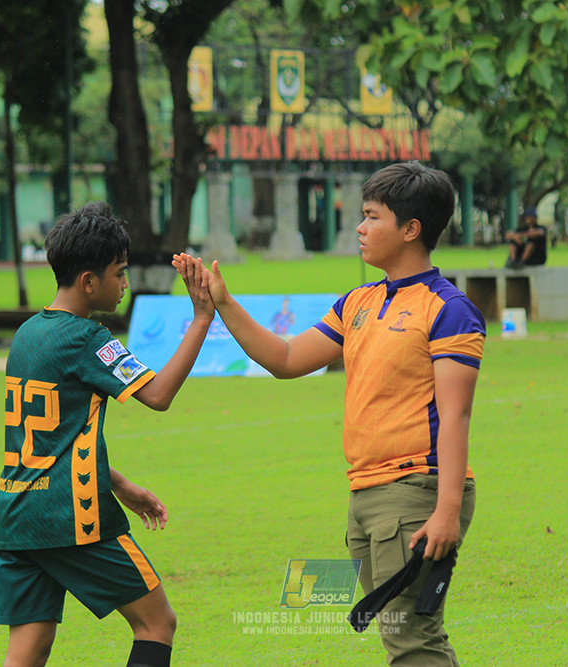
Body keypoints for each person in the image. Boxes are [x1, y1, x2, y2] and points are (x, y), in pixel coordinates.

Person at [174, 161, 486, 666]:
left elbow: (456, 415)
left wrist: (447, 509)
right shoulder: (357, 302)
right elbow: (285, 359)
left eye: (372, 217)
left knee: (412, 642)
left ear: (411, 229)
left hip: (414, 491)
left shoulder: (448, 309)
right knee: (409, 638)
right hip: (366, 494)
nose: (360, 228)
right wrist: (223, 303)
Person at [0, 202, 214, 667]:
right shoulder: (87, 338)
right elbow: (158, 395)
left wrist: (121, 484)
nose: (125, 284)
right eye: (120, 273)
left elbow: (53, 441)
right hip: (70, 517)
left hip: (17, 515)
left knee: (28, 649)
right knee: (156, 623)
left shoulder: (27, 334)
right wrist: (201, 319)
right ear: (89, 281)